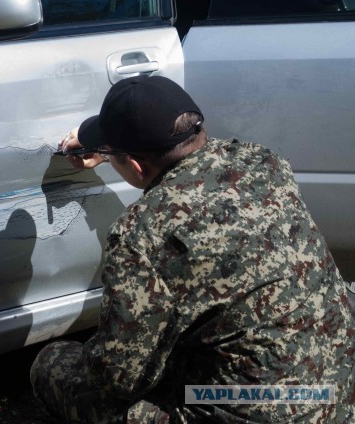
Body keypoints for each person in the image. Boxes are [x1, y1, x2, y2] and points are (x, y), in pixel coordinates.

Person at [30, 75, 355, 423]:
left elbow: (119, 378)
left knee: (53, 364)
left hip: (252, 410)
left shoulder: (141, 233)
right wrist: (112, 153)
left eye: (113, 154)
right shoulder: (265, 163)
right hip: (334, 393)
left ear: (137, 165)